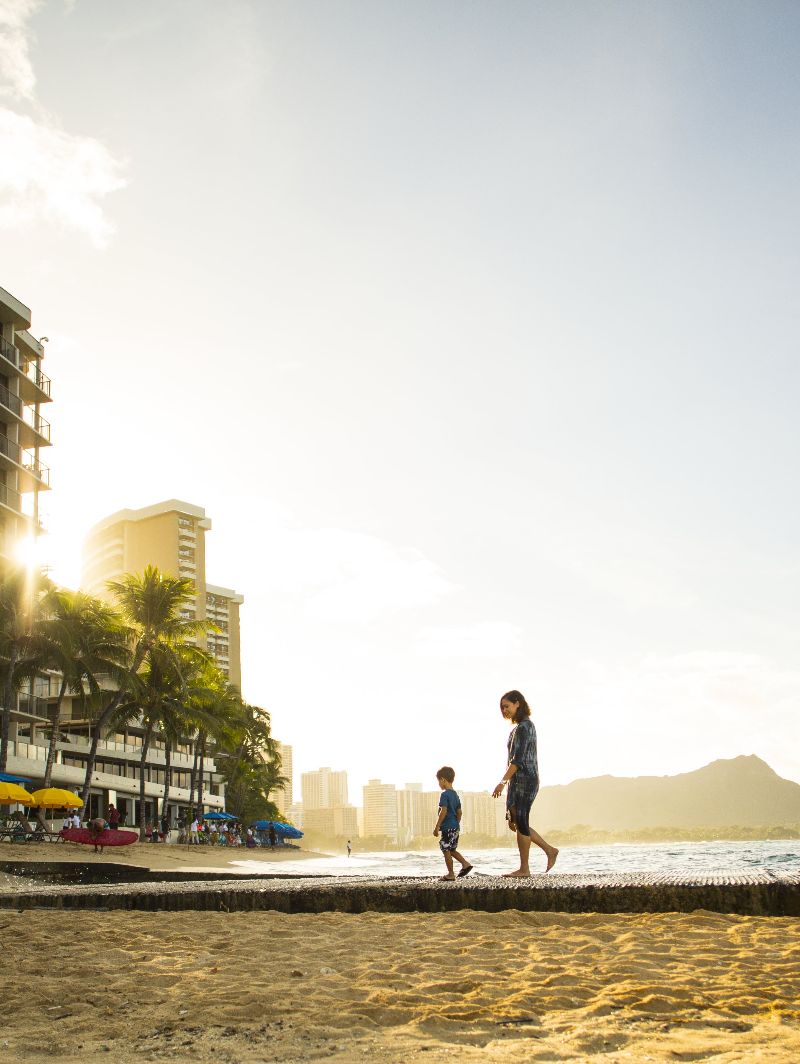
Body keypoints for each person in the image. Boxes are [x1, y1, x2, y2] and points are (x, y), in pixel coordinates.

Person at [492, 689, 558, 876]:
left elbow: (518, 760)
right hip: (517, 780)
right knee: (515, 820)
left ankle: (525, 868)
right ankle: (549, 850)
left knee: (521, 820)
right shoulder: (517, 729)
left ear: (517, 704)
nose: (504, 711)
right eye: (501, 708)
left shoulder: (525, 727)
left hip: (526, 779)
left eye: (506, 706)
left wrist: (502, 782)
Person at [433, 766, 473, 881]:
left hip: (447, 827)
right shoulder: (455, 795)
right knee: (452, 849)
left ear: (443, 780)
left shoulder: (444, 795)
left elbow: (443, 811)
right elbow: (459, 812)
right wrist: (456, 824)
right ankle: (465, 864)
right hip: (455, 826)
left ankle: (450, 874)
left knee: (446, 849)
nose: (439, 784)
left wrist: (437, 827)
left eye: (439, 781)